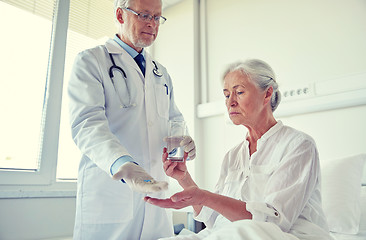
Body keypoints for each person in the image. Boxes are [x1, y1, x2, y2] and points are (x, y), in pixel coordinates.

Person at [144, 59, 333, 240]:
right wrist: (184, 179)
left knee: (240, 232)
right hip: (229, 234)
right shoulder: (233, 156)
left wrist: (204, 196)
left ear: (267, 94)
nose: (230, 102)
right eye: (226, 95)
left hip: (282, 236)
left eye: (239, 92)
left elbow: (272, 223)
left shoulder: (298, 145)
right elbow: (214, 220)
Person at [68, 0, 196, 239]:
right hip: (111, 197)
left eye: (157, 17)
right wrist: (122, 164)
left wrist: (179, 148)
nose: (152, 24)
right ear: (120, 15)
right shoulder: (91, 61)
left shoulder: (161, 72)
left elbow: (173, 119)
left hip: (157, 198)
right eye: (144, 15)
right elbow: (87, 124)